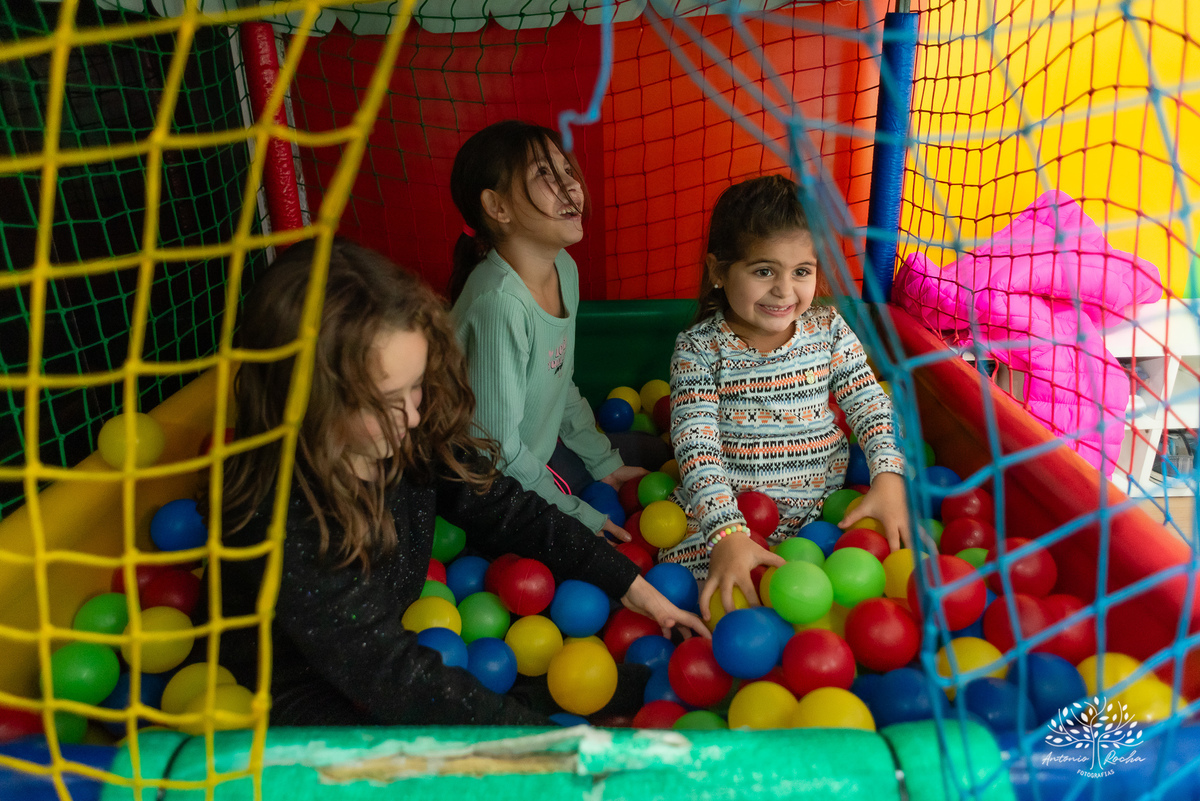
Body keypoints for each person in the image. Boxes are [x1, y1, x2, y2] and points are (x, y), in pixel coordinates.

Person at [196, 238, 706, 727]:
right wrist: (547, 745)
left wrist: (631, 585)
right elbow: (392, 678)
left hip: (384, 659)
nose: (414, 415)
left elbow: (504, 507)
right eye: (384, 400)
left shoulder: (402, 439)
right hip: (293, 705)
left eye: (415, 386)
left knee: (637, 684)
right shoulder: (285, 514)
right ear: (307, 396)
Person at [658, 175, 909, 619]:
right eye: (763, 270)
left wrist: (888, 476)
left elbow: (871, 405)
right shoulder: (699, 348)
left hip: (822, 516)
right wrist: (727, 532)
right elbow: (696, 449)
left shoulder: (827, 329)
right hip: (730, 513)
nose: (784, 289)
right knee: (691, 593)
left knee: (879, 577)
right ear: (719, 271)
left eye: (802, 272)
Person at [448, 120, 669, 545]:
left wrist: (604, 462)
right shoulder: (501, 303)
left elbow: (558, 382)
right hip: (489, 482)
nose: (571, 187)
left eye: (566, 170)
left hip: (536, 454)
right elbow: (493, 451)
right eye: (542, 174)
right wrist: (573, 514)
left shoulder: (563, 269)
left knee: (656, 455)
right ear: (498, 207)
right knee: (608, 539)